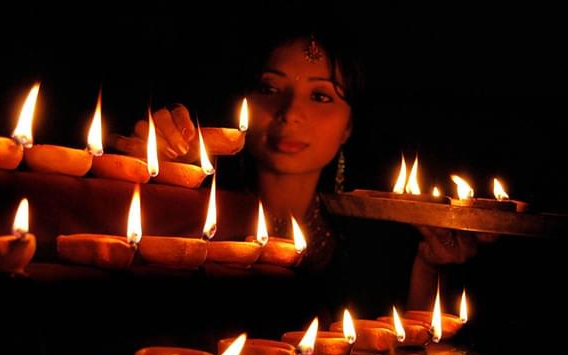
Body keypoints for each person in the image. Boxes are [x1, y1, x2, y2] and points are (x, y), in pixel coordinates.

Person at [110, 20, 487, 311]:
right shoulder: (189, 219)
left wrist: (428, 266)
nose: (289, 114)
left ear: (348, 127)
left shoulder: (374, 248)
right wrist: (147, 164)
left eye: (321, 96)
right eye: (270, 90)